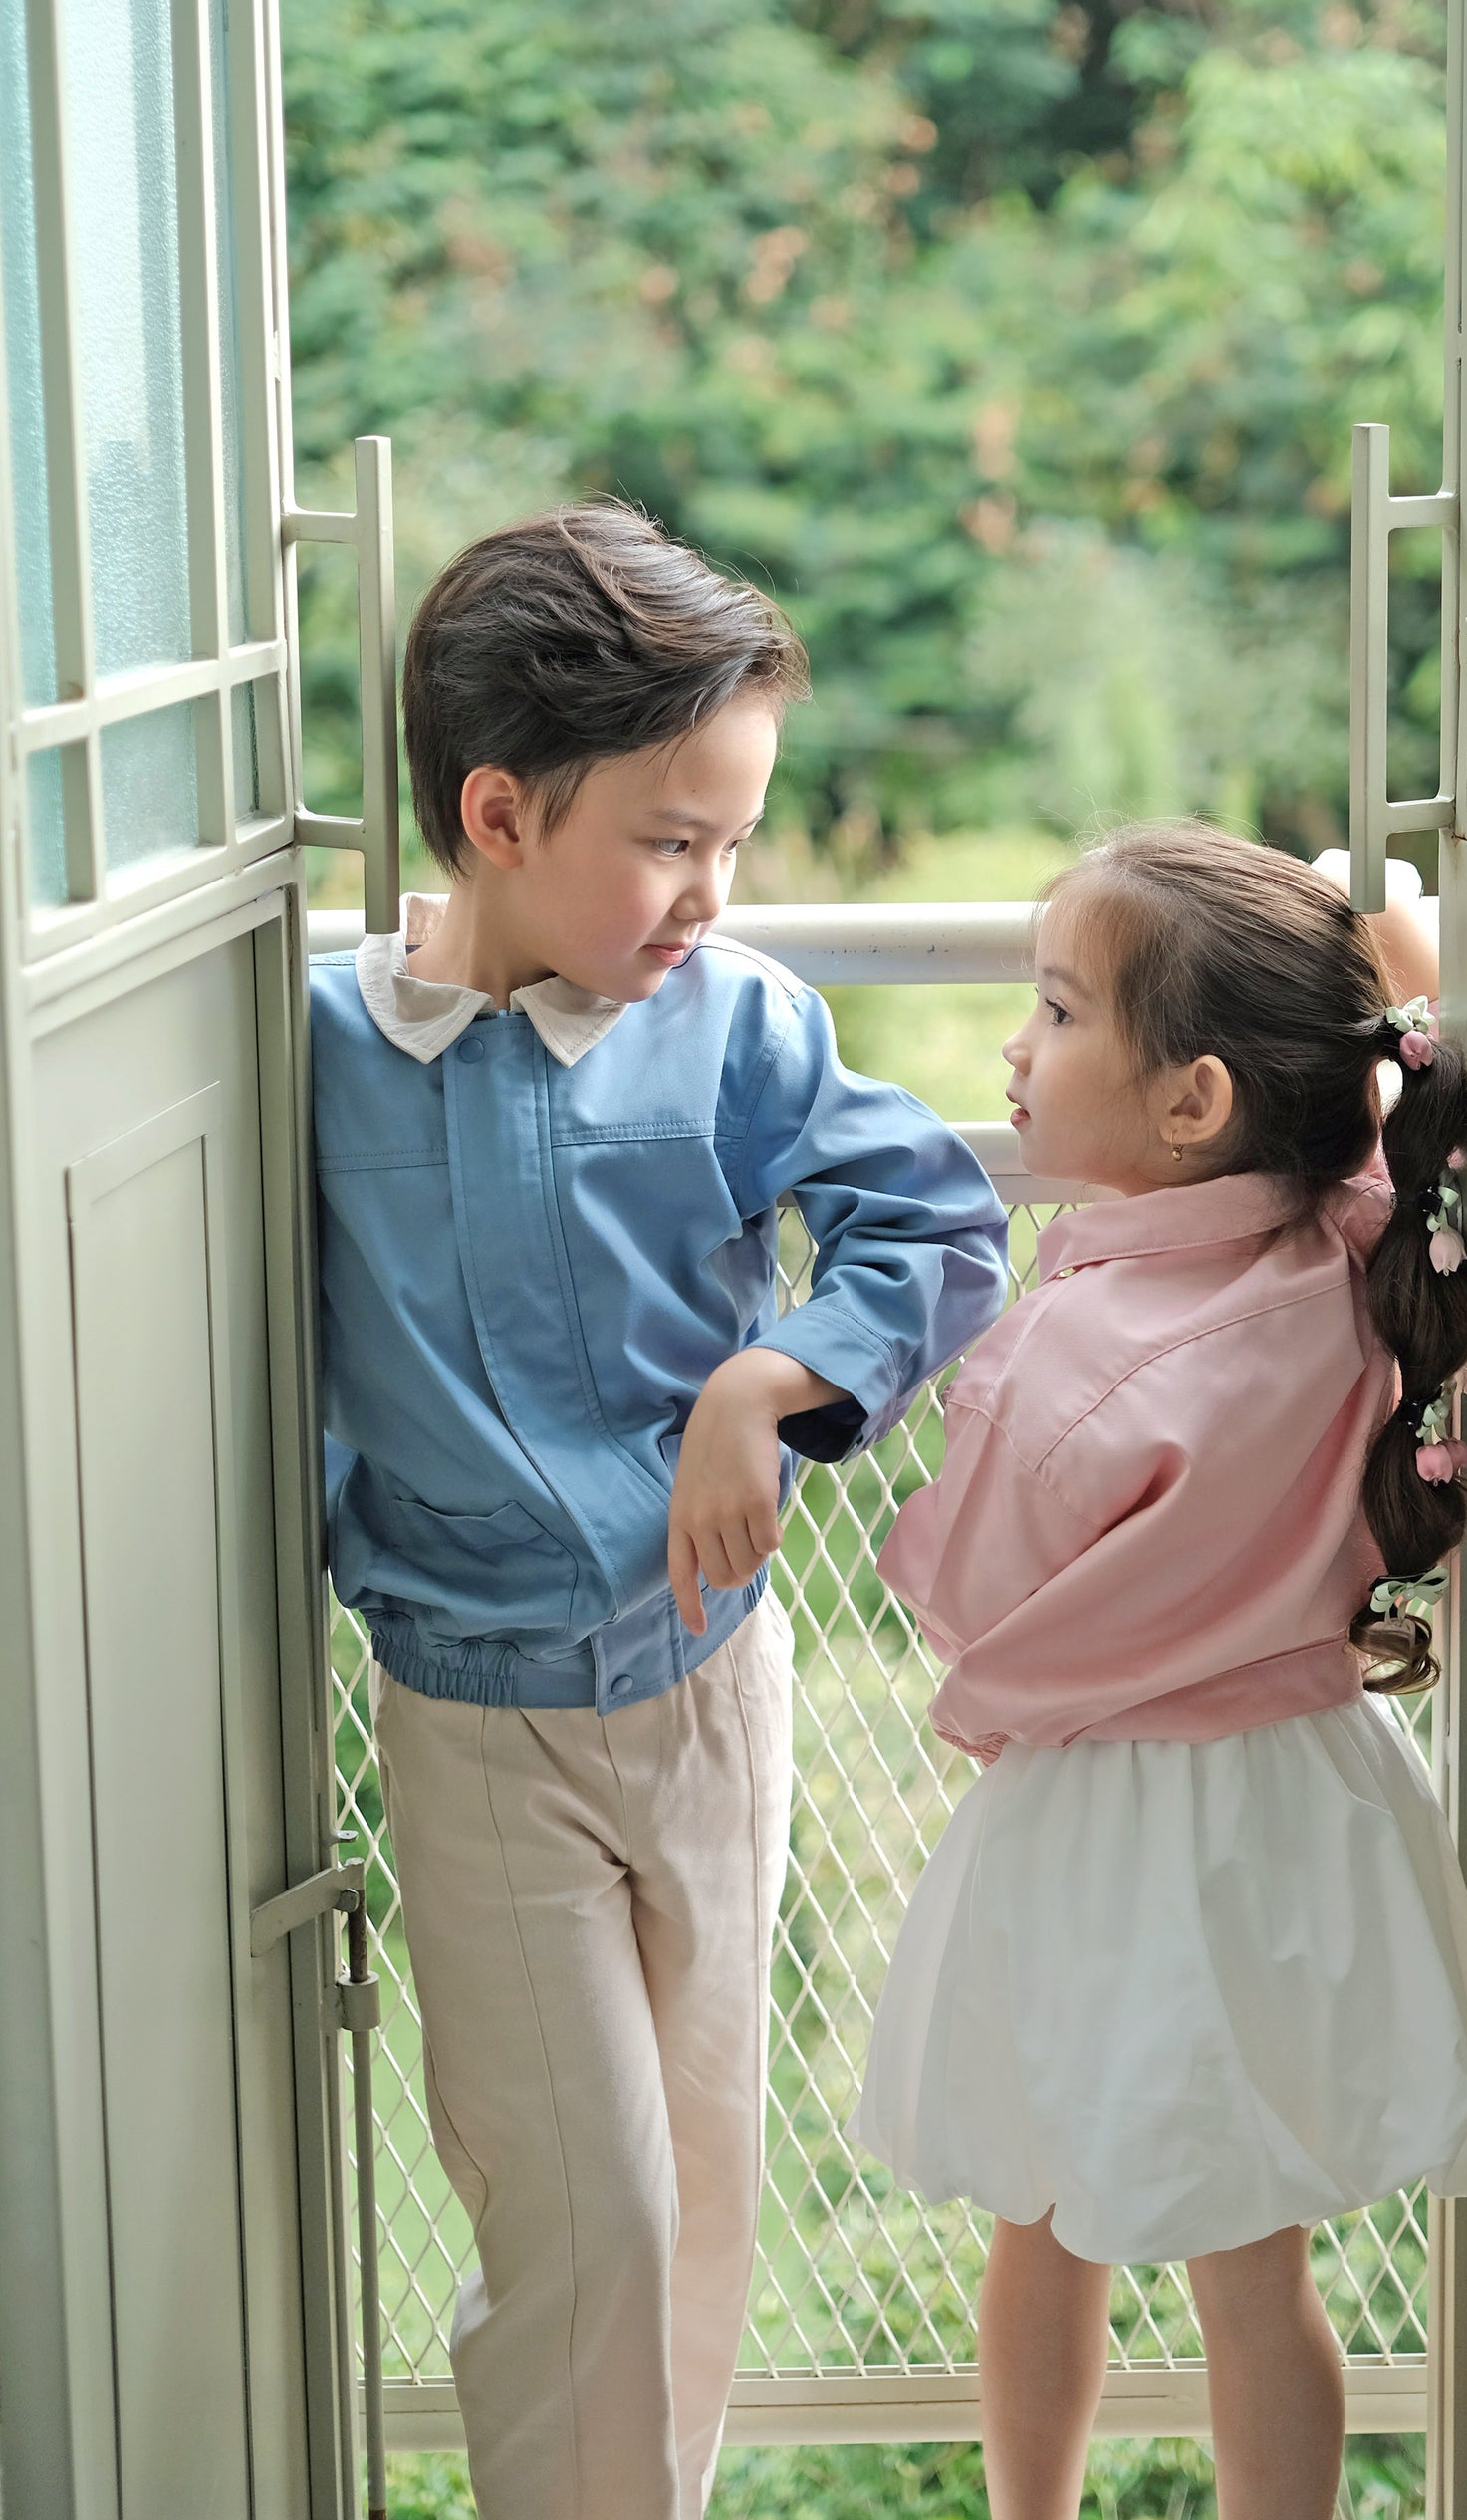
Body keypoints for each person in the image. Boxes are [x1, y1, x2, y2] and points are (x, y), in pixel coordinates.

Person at [312, 504, 1010, 2520]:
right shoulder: (320, 1054)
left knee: (700, 2190)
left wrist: (763, 1381)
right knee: (585, 2209)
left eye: (737, 841)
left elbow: (937, 1223)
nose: (714, 892)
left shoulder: (737, 1024)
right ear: (498, 814)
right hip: (475, 1722)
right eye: (673, 840)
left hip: (711, 1690)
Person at [855, 823, 1467, 2520]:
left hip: (1101, 1834)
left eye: (1057, 1009)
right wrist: (1403, 959)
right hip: (1293, 1809)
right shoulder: (1366, 1252)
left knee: (1043, 2218)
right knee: (1256, 2274)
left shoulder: (1071, 1357)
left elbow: (971, 1602)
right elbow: (1414, 1111)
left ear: (1193, 1102)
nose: (1017, 1044)